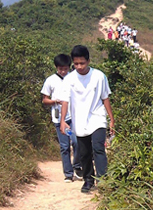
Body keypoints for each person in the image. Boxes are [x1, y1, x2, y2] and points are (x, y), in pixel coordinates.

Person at [60, 45, 115, 194]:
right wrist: (63, 120)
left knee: (98, 148)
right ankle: (88, 180)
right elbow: (65, 101)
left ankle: (103, 181)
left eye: (82, 63)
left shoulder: (99, 76)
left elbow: (105, 98)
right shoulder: (69, 79)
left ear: (89, 61)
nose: (79, 67)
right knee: (84, 153)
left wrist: (111, 119)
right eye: (76, 64)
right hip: (79, 120)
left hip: (97, 118)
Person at [41, 54, 82, 182]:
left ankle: (77, 166)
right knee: (64, 146)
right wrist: (55, 101)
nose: (63, 71)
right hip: (59, 119)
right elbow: (44, 100)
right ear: (56, 68)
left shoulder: (74, 78)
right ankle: (68, 174)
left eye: (65, 69)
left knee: (76, 142)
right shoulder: (50, 80)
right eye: (60, 69)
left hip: (74, 117)